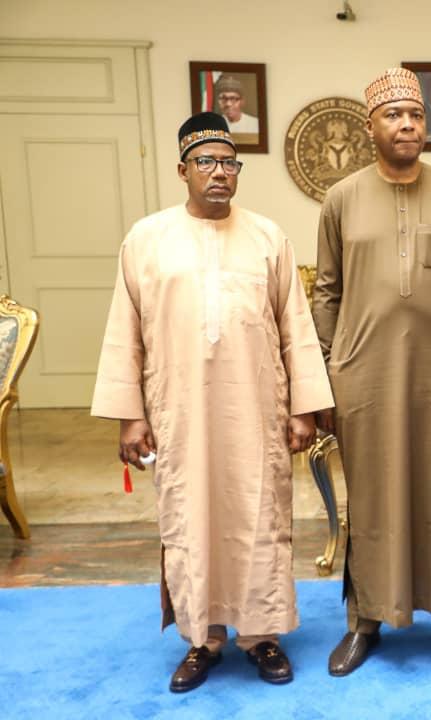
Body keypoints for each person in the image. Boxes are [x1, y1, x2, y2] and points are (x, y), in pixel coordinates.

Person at [91, 111, 334, 692]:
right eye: (206, 162)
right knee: (189, 517)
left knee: (260, 518)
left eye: (229, 162)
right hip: (179, 413)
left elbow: (296, 328)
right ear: (182, 170)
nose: (219, 173)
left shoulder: (267, 237)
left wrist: (303, 408)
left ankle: (262, 635)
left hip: (256, 413)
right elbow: (125, 331)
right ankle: (202, 638)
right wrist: (132, 416)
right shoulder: (146, 239)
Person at [312, 68, 431, 677]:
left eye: (417, 116)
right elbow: (326, 292)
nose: (408, 125)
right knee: (370, 496)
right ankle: (365, 619)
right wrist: (322, 374)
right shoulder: (342, 199)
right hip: (364, 375)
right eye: (394, 115)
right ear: (370, 126)